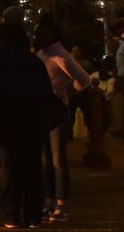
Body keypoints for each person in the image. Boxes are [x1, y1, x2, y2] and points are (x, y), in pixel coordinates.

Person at [0, 23, 55, 229]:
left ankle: (12, 215)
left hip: (7, 117)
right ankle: (34, 215)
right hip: (35, 118)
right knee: (32, 166)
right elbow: (46, 91)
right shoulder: (33, 60)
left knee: (11, 166)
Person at [34, 17, 91, 223]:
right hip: (45, 111)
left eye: (40, 32)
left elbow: (84, 80)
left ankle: (59, 204)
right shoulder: (44, 53)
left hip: (57, 111)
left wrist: (66, 94)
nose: (37, 35)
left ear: (52, 34)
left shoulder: (60, 55)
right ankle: (48, 203)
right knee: (46, 160)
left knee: (57, 160)